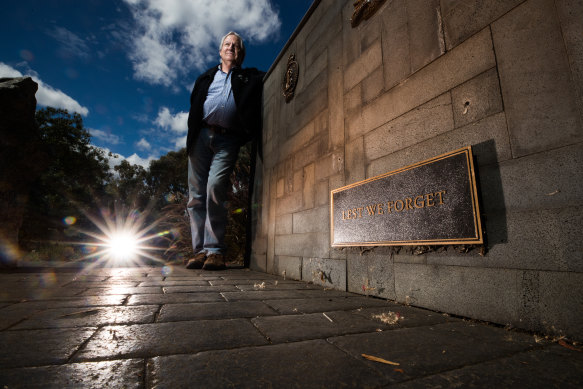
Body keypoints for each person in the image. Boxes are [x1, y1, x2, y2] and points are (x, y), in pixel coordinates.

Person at [185, 31, 264, 270]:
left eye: (235, 45)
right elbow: (194, 106)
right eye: (227, 44)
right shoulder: (205, 77)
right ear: (220, 51)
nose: (231, 47)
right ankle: (199, 252)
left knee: (215, 187)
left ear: (241, 53)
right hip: (201, 137)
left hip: (228, 140)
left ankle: (215, 251)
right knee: (195, 196)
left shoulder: (250, 77)